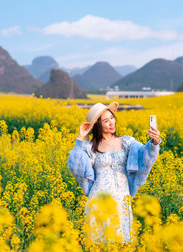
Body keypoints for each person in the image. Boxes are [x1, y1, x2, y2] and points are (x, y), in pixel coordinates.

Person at [68, 101, 161, 243]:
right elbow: (76, 166)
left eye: (112, 118)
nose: (111, 123)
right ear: (98, 125)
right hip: (98, 199)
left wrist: (154, 142)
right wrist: (80, 138)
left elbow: (145, 155)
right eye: (106, 120)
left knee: (122, 243)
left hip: (121, 200)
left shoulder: (127, 142)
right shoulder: (91, 147)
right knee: (99, 243)